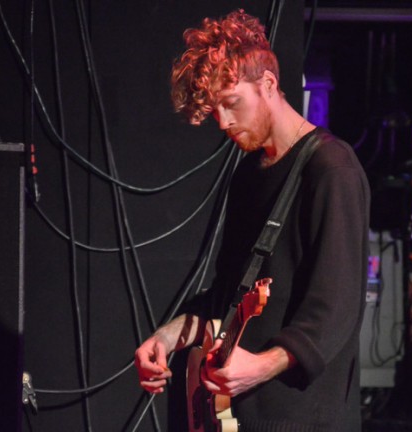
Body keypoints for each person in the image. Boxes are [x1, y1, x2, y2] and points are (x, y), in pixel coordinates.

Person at [135, 9, 370, 431]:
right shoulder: (249, 175)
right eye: (216, 111)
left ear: (269, 85)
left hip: (303, 419)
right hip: (241, 417)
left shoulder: (331, 169)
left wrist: (259, 367)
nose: (224, 123)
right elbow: (227, 295)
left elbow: (335, 311)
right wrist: (167, 337)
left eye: (231, 103)